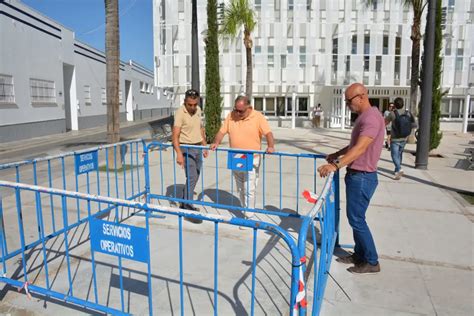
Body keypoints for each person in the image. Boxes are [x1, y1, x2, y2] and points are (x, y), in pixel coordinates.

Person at [318, 83, 384, 274]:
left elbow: (361, 148)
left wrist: (335, 165)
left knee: (357, 220)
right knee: (355, 218)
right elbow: (353, 145)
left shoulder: (371, 118)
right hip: (358, 175)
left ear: (362, 96)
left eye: (349, 101)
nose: (347, 104)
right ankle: (359, 255)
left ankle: (372, 261)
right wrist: (336, 154)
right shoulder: (365, 117)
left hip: (363, 177)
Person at [210, 96, 275, 218]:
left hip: (252, 157)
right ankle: (244, 208)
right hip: (236, 157)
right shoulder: (231, 116)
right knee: (240, 188)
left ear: (249, 107)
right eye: (236, 110)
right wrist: (216, 142)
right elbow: (221, 132)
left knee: (249, 188)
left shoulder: (258, 117)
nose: (238, 113)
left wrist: (271, 146)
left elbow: (268, 133)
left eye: (241, 111)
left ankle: (249, 215)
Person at [172, 89, 208, 224]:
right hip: (186, 147)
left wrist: (204, 145)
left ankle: (184, 200)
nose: (192, 107)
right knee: (192, 176)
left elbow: (200, 128)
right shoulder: (180, 113)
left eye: (194, 104)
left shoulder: (198, 110)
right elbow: (174, 136)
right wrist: (179, 154)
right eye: (189, 105)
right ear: (185, 102)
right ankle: (187, 208)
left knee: (196, 175)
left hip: (198, 146)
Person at [385, 97, 415, 180]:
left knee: (394, 155)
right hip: (404, 138)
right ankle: (397, 171)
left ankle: (398, 168)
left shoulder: (392, 113)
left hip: (395, 138)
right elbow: (414, 125)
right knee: (399, 154)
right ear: (403, 104)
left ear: (394, 105)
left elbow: (385, 122)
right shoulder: (408, 113)